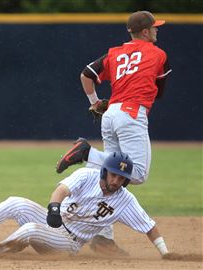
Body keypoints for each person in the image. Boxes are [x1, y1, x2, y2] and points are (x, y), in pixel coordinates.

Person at [55, 11, 172, 251]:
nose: (157, 31)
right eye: (155, 28)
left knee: (106, 174)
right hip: (131, 113)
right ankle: (87, 153)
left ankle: (103, 239)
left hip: (110, 114)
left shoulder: (114, 53)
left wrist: (94, 102)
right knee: (137, 174)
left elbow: (86, 74)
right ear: (146, 31)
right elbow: (159, 92)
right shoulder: (159, 54)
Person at [0, 152, 170, 259]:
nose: (116, 181)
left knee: (30, 230)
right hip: (55, 221)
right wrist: (54, 208)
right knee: (15, 202)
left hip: (68, 242)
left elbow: (149, 226)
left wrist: (165, 252)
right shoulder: (86, 175)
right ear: (105, 171)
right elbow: (62, 190)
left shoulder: (125, 200)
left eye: (122, 178)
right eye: (113, 175)